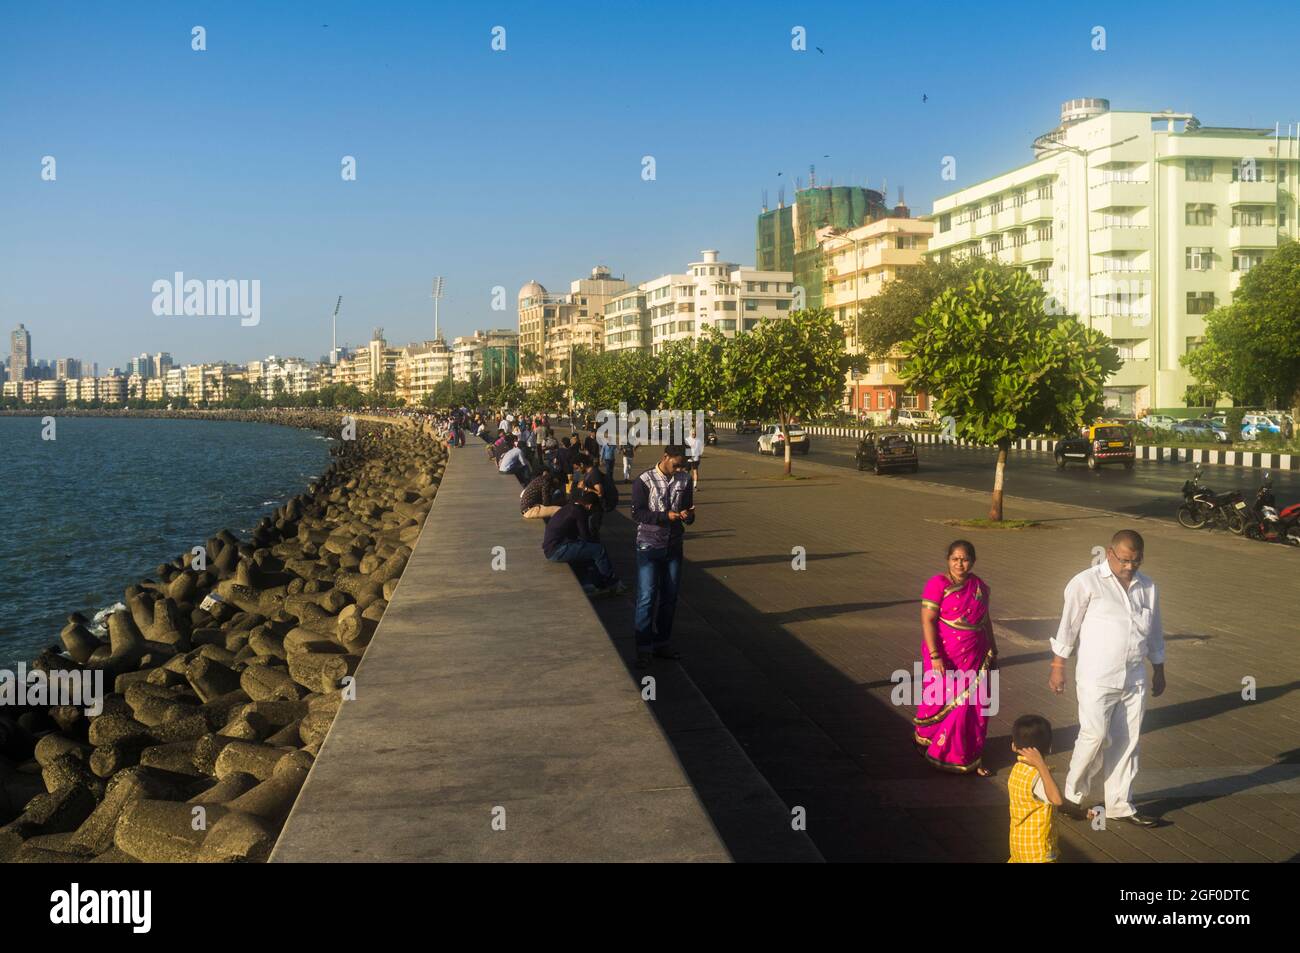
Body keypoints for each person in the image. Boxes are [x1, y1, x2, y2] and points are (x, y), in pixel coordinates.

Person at [1050, 529, 1164, 828]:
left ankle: (1120, 804)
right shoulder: (1086, 582)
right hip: (1096, 675)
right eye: (1125, 560)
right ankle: (1072, 797)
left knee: (1128, 742)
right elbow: (1069, 625)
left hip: (1135, 676)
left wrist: (1159, 667)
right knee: (1095, 735)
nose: (1129, 567)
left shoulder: (1148, 586)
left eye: (1136, 561)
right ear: (1110, 553)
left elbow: (1154, 631)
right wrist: (1058, 664)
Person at [913, 540, 998, 775]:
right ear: (948, 560)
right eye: (955, 559)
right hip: (945, 654)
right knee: (938, 699)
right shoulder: (937, 584)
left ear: (973, 560)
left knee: (971, 706)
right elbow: (927, 620)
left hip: (976, 656)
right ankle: (928, 740)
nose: (960, 563)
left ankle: (967, 755)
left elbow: (985, 620)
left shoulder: (978, 586)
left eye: (965, 559)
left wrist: (994, 649)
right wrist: (935, 656)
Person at [630, 445, 694, 668]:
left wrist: (687, 515)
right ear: (665, 457)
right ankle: (643, 648)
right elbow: (637, 512)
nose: (678, 469)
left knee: (670, 597)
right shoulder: (644, 480)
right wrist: (664, 516)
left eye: (682, 466)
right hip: (649, 545)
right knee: (647, 597)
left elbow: (689, 510)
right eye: (675, 465)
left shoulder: (685, 480)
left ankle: (662, 643)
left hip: (674, 545)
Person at [542, 491, 627, 596]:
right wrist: (596, 540)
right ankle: (612, 583)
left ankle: (590, 584)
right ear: (590, 506)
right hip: (558, 550)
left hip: (551, 548)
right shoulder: (579, 511)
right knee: (599, 551)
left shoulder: (570, 507)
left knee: (588, 551)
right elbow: (585, 536)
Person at [1008, 714, 1062, 863]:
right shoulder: (1038, 776)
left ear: (1014, 746)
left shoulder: (1017, 768)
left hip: (1019, 843)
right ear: (1050, 748)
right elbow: (1056, 799)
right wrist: (1041, 766)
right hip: (1038, 850)